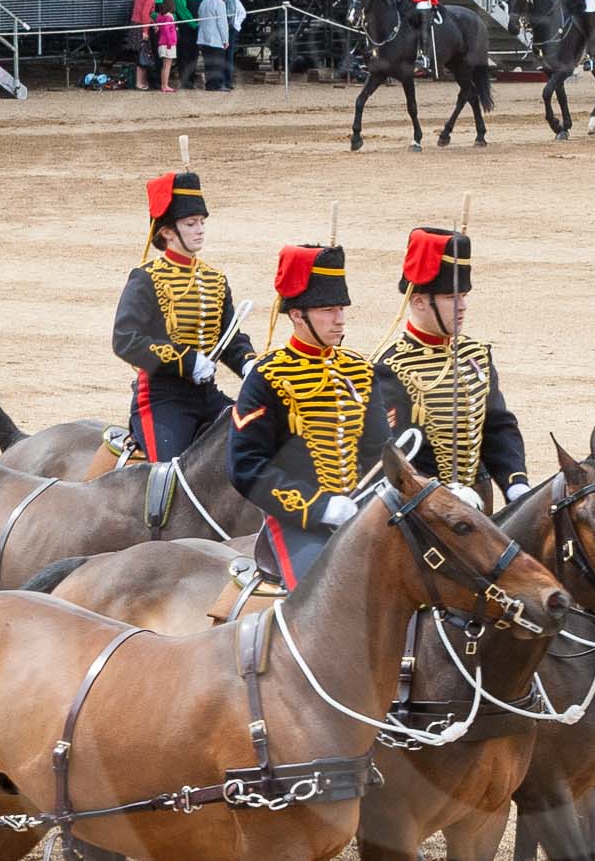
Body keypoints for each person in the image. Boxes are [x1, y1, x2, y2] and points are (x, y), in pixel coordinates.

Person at [229, 245, 389, 588]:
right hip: (297, 523)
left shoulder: (360, 371)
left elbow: (380, 451)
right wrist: (320, 508)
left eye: (342, 308)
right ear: (297, 315)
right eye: (328, 310)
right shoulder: (268, 377)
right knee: (325, 595)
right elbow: (246, 466)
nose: (340, 319)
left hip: (364, 512)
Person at [372, 227, 531, 504]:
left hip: (479, 506)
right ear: (419, 301)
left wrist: (515, 482)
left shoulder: (476, 355)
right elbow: (391, 454)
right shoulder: (391, 368)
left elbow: (497, 427)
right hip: (422, 512)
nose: (462, 306)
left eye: (464, 296)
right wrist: (435, 496)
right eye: (450, 298)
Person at [111, 171, 256, 462]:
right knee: (169, 472)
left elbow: (229, 338)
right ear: (167, 232)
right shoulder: (146, 278)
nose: (200, 230)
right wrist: (187, 361)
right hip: (162, 399)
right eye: (191, 224)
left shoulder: (214, 279)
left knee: (258, 438)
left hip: (207, 395)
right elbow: (125, 340)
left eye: (202, 222)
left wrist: (249, 364)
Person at [196, 0, 243, 92]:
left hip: (203, 38)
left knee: (208, 63)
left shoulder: (204, 1)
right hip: (215, 39)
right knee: (218, 63)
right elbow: (222, 23)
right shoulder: (220, 3)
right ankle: (218, 84)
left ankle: (210, 84)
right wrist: (225, 40)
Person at [161, 0, 206, 89]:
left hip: (198, 28)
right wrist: (194, 25)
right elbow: (182, 10)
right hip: (185, 28)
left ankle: (191, 80)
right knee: (184, 55)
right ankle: (185, 81)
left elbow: (205, 8)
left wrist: (202, 24)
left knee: (194, 54)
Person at [132, 0, 163, 91]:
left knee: (142, 55)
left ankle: (142, 82)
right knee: (143, 56)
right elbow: (145, 14)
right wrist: (145, 31)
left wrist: (152, 23)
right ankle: (139, 83)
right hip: (140, 27)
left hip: (137, 25)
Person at [155, 6, 178, 91]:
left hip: (162, 43)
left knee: (165, 66)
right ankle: (165, 85)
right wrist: (169, 42)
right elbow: (166, 29)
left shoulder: (159, 17)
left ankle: (164, 85)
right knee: (167, 66)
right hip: (168, 44)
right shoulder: (169, 17)